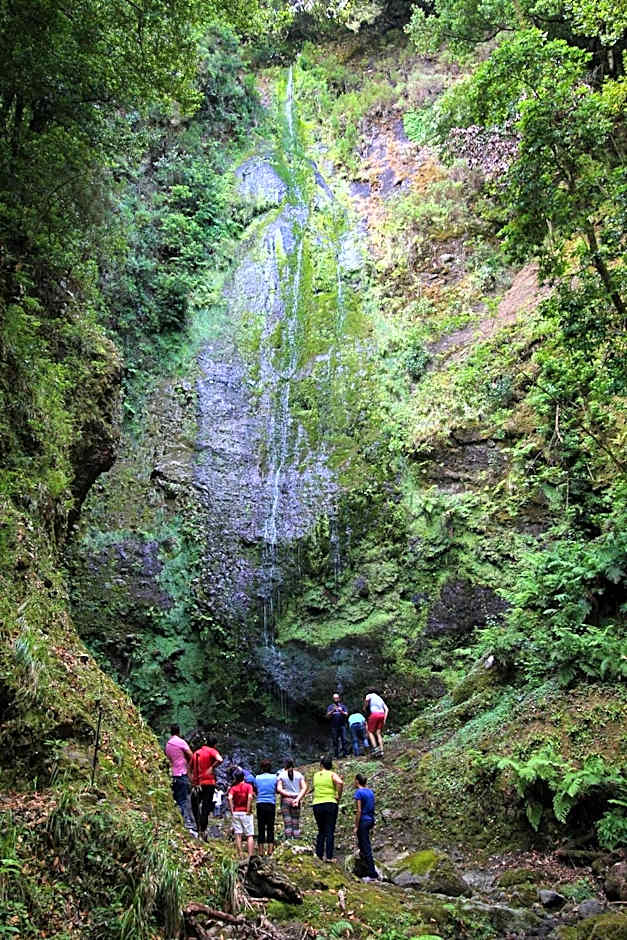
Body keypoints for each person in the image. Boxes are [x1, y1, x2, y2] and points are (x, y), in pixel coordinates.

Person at [190, 735, 223, 840]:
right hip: (209, 783)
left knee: (195, 805)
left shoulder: (196, 753)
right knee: (206, 806)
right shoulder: (212, 751)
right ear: (214, 744)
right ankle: (203, 830)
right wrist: (211, 767)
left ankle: (198, 826)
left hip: (197, 783)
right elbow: (220, 759)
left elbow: (189, 768)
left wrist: (192, 780)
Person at [312, 755, 343, 862]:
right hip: (330, 803)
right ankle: (329, 856)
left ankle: (319, 855)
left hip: (317, 804)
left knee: (321, 830)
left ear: (321, 765)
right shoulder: (332, 774)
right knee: (329, 830)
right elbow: (340, 782)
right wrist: (338, 795)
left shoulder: (316, 775)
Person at [165, 723, 193, 825]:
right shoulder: (180, 742)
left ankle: (176, 822)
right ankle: (184, 823)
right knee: (183, 801)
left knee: (176, 799)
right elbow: (191, 755)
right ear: (179, 732)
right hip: (182, 773)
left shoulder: (168, 744)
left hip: (172, 775)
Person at [353, 773, 377, 881]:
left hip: (363, 820)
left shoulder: (359, 792)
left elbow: (359, 811)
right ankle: (365, 870)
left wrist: (356, 826)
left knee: (365, 846)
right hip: (370, 819)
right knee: (363, 845)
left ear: (357, 781)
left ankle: (372, 874)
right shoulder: (370, 792)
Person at [277, 759, 308, 839]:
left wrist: (288, 794)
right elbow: (304, 788)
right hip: (296, 799)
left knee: (287, 822)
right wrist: (297, 798)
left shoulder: (281, 775)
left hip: (285, 800)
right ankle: (296, 839)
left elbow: (279, 789)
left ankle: (289, 840)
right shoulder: (299, 775)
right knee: (295, 822)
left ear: (285, 765)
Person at [227, 769, 255, 859]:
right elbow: (250, 797)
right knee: (249, 835)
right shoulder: (248, 786)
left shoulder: (233, 788)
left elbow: (229, 798)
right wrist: (248, 809)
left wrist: (232, 810)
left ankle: (240, 855)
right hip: (245, 812)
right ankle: (250, 856)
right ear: (244, 777)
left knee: (238, 834)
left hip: (236, 812)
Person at [255, 759, 277, 856]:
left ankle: (260, 851)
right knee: (270, 827)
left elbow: (256, 790)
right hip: (271, 803)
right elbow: (276, 789)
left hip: (260, 803)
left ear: (261, 768)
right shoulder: (274, 777)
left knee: (261, 827)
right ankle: (270, 850)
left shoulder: (257, 778)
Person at [364, 689, 389, 757]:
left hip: (375, 714)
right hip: (382, 715)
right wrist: (384, 719)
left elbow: (367, 700)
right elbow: (387, 709)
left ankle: (375, 749)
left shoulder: (369, 695)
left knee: (370, 732)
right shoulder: (380, 698)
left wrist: (365, 707)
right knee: (378, 733)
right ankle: (382, 750)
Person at [326, 693, 349, 758]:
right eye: (334, 698)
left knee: (344, 740)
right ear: (333, 699)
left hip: (342, 725)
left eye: (337, 698)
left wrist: (341, 711)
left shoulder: (343, 706)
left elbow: (346, 714)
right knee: (335, 741)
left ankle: (345, 754)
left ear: (339, 698)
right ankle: (336, 755)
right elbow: (327, 716)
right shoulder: (330, 706)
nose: (336, 699)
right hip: (334, 726)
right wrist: (333, 710)